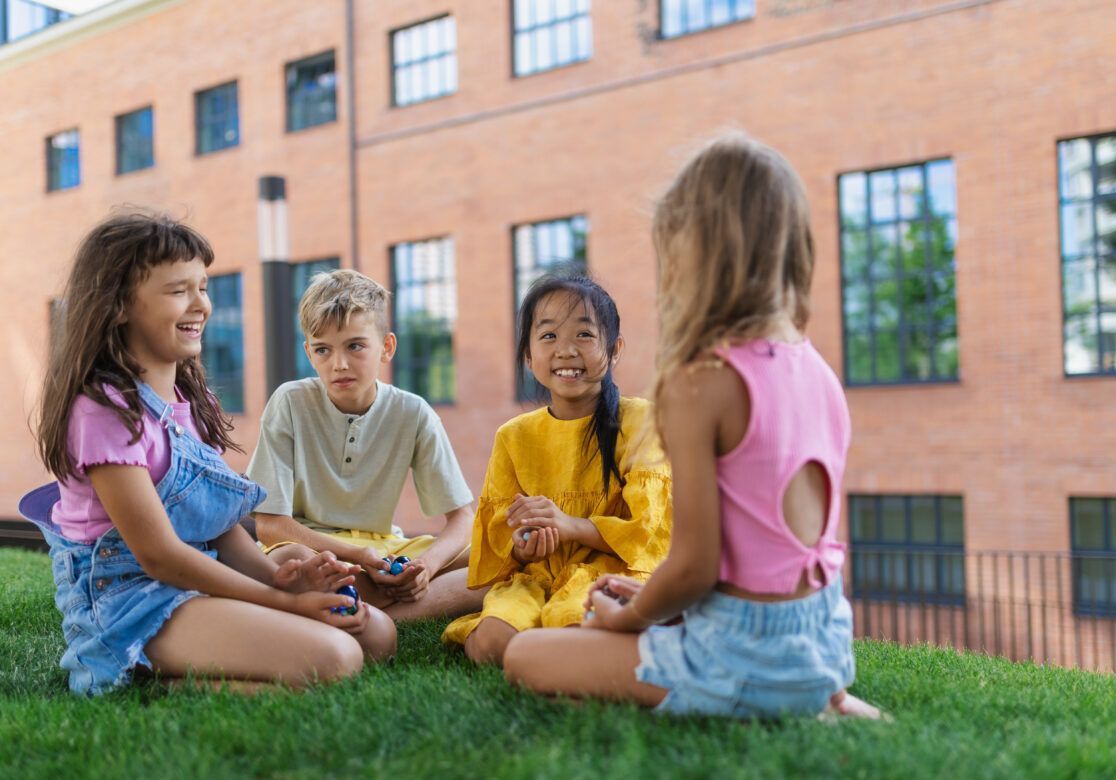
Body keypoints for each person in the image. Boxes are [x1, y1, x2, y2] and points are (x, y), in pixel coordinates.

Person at [503, 135, 884, 719]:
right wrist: (661, 603)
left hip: (740, 653)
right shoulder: (816, 367)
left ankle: (754, 700)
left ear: (691, 253)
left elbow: (694, 566)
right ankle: (820, 699)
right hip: (823, 638)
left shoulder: (699, 382)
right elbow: (765, 552)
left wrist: (631, 617)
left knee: (526, 655)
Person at [21, 212, 392, 697]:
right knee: (335, 658)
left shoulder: (192, 403)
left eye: (204, 286)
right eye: (179, 291)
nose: (201, 304)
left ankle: (190, 661)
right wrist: (286, 605)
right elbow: (159, 556)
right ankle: (137, 675)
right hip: (128, 599)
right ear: (117, 306)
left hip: (197, 575)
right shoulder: (104, 412)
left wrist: (283, 579)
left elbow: (217, 526)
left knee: (379, 636)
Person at [442, 273, 673, 666]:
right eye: (548, 336)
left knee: (572, 627)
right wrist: (523, 543)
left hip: (612, 572)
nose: (565, 350)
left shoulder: (641, 421)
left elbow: (647, 533)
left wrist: (571, 526)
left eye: (584, 335)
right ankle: (539, 647)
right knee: (490, 643)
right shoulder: (513, 436)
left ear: (614, 350)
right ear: (529, 357)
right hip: (537, 576)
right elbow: (499, 542)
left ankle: (559, 651)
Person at [247, 269, 481, 621]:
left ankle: (371, 605)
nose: (338, 364)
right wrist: (357, 558)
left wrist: (425, 567)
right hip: (314, 548)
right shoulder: (290, 401)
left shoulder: (413, 412)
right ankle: (394, 609)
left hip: (383, 549)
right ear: (309, 354)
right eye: (323, 350)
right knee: (291, 561)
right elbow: (270, 526)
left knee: (493, 556)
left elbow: (463, 518)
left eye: (355, 346)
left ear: (386, 347)